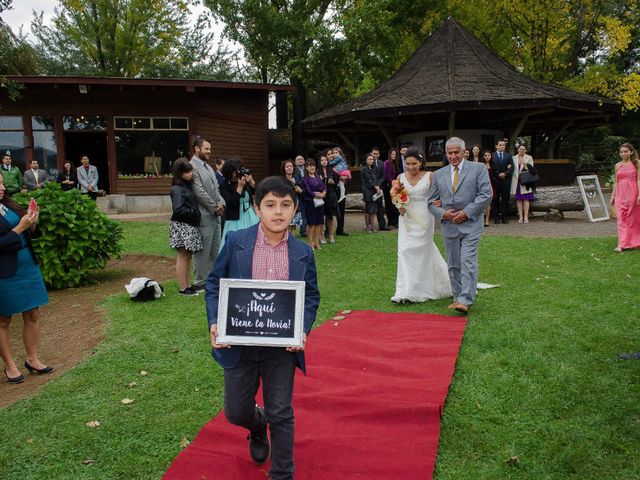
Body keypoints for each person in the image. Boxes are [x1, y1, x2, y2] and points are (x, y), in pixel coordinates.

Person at [206, 175, 320, 480]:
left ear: (295, 209)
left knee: (280, 411)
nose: (278, 212)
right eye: (270, 204)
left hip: (280, 347)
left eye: (285, 205)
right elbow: (215, 282)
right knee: (236, 412)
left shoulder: (302, 252)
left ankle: (282, 473)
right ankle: (257, 427)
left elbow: (310, 295)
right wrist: (216, 322)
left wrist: (302, 329)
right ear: (257, 208)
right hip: (239, 344)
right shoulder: (235, 241)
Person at [428, 137, 493, 314]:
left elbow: (486, 195)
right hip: (449, 226)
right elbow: (430, 202)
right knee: (454, 264)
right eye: (450, 153)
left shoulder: (478, 169)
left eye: (457, 152)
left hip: (471, 224)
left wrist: (467, 212)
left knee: (468, 261)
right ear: (446, 154)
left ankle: (465, 299)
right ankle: (457, 296)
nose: (453, 156)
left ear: (464, 152)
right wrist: (443, 214)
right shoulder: (439, 174)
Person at [0, 175, 53, 384]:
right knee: (3, 320)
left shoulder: (8, 204)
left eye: (2, 183)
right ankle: (9, 366)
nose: (2, 188)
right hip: (4, 272)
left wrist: (32, 223)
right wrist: (21, 227)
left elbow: (28, 233)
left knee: (32, 313)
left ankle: (32, 359)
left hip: (27, 267)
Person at [392, 148, 452, 303]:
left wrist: (439, 203)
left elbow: (439, 194)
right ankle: (404, 291)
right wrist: (398, 205)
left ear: (421, 162)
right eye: (408, 164)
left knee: (423, 251)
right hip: (406, 218)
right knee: (404, 251)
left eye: (414, 164)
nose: (411, 167)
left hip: (425, 217)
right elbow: (396, 195)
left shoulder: (430, 176)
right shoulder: (400, 177)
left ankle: (422, 288)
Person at [190, 137, 225, 291]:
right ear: (197, 149)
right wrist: (214, 207)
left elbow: (217, 190)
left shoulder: (209, 167)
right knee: (202, 251)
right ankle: (199, 281)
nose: (209, 151)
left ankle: (211, 278)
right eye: (206, 149)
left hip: (216, 216)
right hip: (204, 216)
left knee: (214, 250)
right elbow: (198, 191)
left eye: (210, 149)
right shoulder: (192, 167)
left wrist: (222, 203)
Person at [169, 158, 202, 296]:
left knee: (188, 255)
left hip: (189, 224)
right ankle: (183, 288)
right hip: (182, 225)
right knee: (183, 255)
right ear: (179, 173)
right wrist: (194, 212)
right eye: (187, 172)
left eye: (190, 171)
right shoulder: (177, 189)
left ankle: (188, 285)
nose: (190, 174)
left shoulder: (185, 186)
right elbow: (178, 209)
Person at [218, 159, 259, 251]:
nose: (237, 173)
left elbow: (255, 193)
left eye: (238, 170)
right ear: (229, 172)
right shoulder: (224, 185)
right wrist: (240, 187)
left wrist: (251, 182)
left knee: (253, 242)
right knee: (236, 244)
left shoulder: (242, 180)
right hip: (235, 218)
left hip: (249, 215)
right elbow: (231, 202)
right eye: (235, 171)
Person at [610, 142, 640, 253]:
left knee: (632, 219)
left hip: (633, 193)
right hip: (620, 194)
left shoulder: (637, 163)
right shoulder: (617, 165)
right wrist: (612, 196)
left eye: (626, 151)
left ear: (631, 152)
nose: (623, 154)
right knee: (621, 219)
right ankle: (621, 244)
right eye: (621, 152)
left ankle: (635, 241)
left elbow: (639, 180)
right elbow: (616, 182)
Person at [300, 158, 326, 250]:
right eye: (310, 166)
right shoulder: (305, 179)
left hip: (319, 203)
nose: (312, 167)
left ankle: (316, 242)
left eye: (313, 165)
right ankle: (310, 242)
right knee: (311, 224)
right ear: (306, 168)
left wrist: (323, 193)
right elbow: (307, 190)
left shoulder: (318, 177)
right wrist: (316, 195)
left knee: (319, 223)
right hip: (310, 203)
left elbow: (323, 187)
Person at [317, 153, 339, 244]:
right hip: (321, 196)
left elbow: (337, 182)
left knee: (331, 216)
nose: (324, 161)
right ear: (320, 161)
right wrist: (319, 180)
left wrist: (333, 182)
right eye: (322, 160)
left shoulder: (332, 170)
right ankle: (321, 236)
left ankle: (331, 235)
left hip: (331, 196)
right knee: (321, 216)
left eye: (325, 160)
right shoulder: (317, 171)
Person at [512, 144, 536, 224]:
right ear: (517, 150)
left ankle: (526, 217)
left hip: (526, 181)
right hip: (517, 181)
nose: (521, 150)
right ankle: (520, 217)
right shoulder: (513, 158)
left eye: (523, 149)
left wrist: (525, 164)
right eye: (520, 149)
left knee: (526, 199)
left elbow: (532, 170)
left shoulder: (529, 158)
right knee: (519, 199)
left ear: (525, 150)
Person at [491, 139, 513, 223]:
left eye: (503, 145)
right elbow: (492, 168)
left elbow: (512, 168)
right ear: (496, 146)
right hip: (495, 181)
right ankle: (496, 218)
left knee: (505, 200)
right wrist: (498, 174)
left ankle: (504, 217)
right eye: (500, 145)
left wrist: (505, 174)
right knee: (495, 199)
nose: (502, 146)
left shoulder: (508, 155)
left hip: (506, 181)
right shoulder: (492, 155)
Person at [281, 159, 303, 233]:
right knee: (286, 226)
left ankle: (292, 242)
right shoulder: (281, 180)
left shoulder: (297, 179)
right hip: (285, 205)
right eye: (287, 166)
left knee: (293, 226)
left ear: (293, 168)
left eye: (291, 166)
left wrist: (300, 191)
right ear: (284, 169)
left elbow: (302, 191)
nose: (289, 168)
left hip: (296, 205)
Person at [371, 147, 390, 231]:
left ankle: (382, 225)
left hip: (379, 188)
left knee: (380, 207)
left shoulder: (381, 163)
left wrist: (378, 184)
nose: (375, 155)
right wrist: (374, 185)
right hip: (370, 188)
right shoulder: (368, 162)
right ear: (371, 153)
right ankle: (369, 226)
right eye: (374, 153)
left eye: (377, 154)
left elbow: (384, 176)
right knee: (370, 208)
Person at [361, 153, 379, 233]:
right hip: (367, 191)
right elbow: (369, 181)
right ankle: (368, 226)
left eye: (372, 159)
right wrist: (376, 187)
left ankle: (372, 226)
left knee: (373, 209)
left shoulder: (373, 168)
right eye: (369, 159)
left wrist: (377, 186)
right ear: (366, 160)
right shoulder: (364, 169)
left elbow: (376, 179)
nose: (371, 161)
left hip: (374, 191)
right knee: (368, 209)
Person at [383, 148, 401, 228]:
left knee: (396, 204)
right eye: (393, 154)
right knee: (389, 205)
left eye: (396, 154)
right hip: (388, 187)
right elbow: (387, 175)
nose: (394, 156)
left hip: (396, 187)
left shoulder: (396, 164)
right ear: (390, 155)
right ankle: (390, 222)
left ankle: (396, 221)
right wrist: (392, 183)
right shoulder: (387, 163)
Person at [293, 155, 307, 237]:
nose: (300, 160)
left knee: (307, 212)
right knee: (300, 212)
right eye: (298, 159)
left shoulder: (308, 170)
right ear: (295, 162)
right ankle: (301, 231)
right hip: (297, 194)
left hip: (307, 194)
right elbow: (296, 182)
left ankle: (304, 231)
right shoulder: (294, 171)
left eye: (302, 159)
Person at [482, 150, 497, 227]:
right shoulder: (480, 165)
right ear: (483, 156)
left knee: (488, 203)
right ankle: (481, 220)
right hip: (482, 186)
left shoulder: (493, 164)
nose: (487, 157)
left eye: (489, 155)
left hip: (491, 185)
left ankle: (487, 220)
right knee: (481, 203)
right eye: (486, 155)